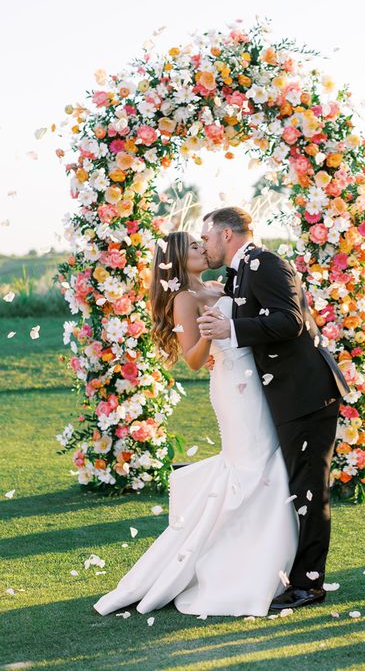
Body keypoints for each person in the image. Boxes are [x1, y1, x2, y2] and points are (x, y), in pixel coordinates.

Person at [93, 230, 298, 618]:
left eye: (202, 243)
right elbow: (191, 358)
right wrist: (207, 332)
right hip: (232, 390)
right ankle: (231, 569)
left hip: (256, 380)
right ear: (175, 259)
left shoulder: (221, 285)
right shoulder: (184, 299)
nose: (203, 249)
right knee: (251, 467)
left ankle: (260, 559)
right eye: (193, 246)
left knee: (269, 466)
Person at [197, 207, 349, 610]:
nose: (204, 244)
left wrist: (232, 329)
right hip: (286, 395)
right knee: (296, 487)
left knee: (309, 490)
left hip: (306, 393)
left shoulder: (264, 262)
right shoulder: (241, 271)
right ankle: (291, 574)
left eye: (206, 235)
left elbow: (290, 321)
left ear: (226, 234)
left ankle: (308, 585)